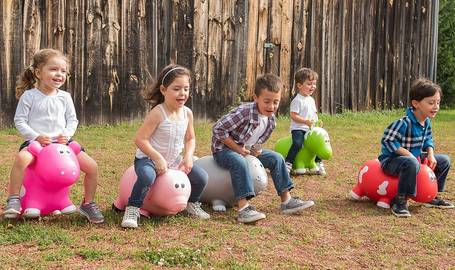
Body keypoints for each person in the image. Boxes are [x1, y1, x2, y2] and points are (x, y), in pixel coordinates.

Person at [3, 48, 104, 223]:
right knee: (21, 159)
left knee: (92, 166)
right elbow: (20, 121)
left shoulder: (65, 97)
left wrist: (66, 134)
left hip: (63, 143)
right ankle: (14, 199)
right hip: (37, 144)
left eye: (63, 71)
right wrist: (35, 137)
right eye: (53, 69)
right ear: (38, 72)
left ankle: (88, 203)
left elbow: (73, 120)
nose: (59, 74)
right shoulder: (29, 96)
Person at [211, 73, 315, 224]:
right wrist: (238, 149)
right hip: (224, 150)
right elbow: (218, 129)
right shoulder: (244, 112)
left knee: (277, 158)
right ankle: (243, 208)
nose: (271, 106)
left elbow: (259, 140)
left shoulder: (271, 121)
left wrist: (256, 150)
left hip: (246, 150)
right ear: (255, 98)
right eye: (267, 101)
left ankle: (287, 201)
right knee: (239, 161)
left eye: (275, 102)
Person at [121, 64, 210, 228]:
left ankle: (192, 204)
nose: (182, 93)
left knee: (201, 177)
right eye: (176, 89)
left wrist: (188, 156)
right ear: (163, 90)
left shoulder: (187, 113)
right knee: (147, 176)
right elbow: (140, 139)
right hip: (148, 158)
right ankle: (133, 208)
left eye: (186, 89)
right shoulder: (158, 113)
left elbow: (190, 138)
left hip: (174, 160)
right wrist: (157, 158)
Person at [379, 78, 453, 217]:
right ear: (416, 103)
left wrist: (430, 154)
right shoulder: (403, 123)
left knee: (444, 160)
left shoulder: (426, 122)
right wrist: (408, 155)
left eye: (438, 102)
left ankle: (431, 195)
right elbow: (388, 140)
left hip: (414, 158)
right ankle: (400, 201)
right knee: (412, 162)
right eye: (431, 103)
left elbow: (428, 140)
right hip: (392, 161)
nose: (436, 106)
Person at [285, 68, 325, 175]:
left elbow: (314, 113)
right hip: (299, 129)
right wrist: (305, 121)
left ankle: (318, 162)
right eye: (309, 84)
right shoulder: (297, 100)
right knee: (297, 144)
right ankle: (288, 163)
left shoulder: (311, 100)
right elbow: (293, 115)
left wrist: (317, 122)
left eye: (314, 84)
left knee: (318, 143)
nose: (313, 86)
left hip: (310, 128)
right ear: (299, 85)